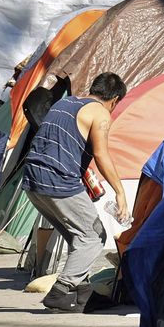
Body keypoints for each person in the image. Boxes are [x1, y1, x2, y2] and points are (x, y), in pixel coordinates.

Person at [22, 72, 130, 313]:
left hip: (32, 180)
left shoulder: (65, 103)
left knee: (77, 236)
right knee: (93, 235)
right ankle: (60, 292)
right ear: (114, 100)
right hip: (57, 180)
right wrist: (120, 192)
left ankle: (84, 294)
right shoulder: (100, 113)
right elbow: (101, 154)